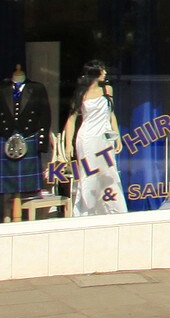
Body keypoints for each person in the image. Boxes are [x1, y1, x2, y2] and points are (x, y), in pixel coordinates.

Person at [62, 62, 125, 217]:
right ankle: (86, 210)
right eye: (102, 69)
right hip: (87, 138)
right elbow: (71, 119)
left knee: (108, 172)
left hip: (105, 138)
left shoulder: (107, 90)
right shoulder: (81, 94)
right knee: (89, 173)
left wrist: (117, 137)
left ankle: (113, 208)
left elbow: (111, 115)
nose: (105, 72)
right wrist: (68, 144)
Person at [1, 63, 52, 220]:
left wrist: (41, 144)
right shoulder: (2, 88)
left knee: (23, 189)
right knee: (5, 187)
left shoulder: (37, 88)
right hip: (5, 138)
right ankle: (6, 218)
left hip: (29, 138)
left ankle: (18, 219)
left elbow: (45, 116)